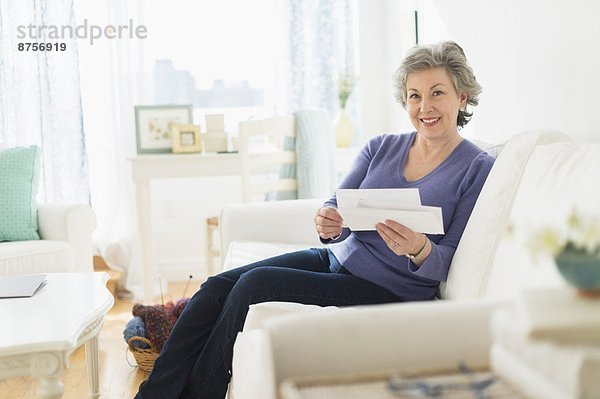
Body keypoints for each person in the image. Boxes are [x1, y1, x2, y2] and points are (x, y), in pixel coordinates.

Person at [135, 40, 495, 399]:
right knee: (215, 286)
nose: (424, 107)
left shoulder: (476, 167)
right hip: (336, 259)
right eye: (414, 96)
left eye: (437, 93)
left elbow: (448, 260)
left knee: (252, 285)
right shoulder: (381, 146)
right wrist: (330, 220)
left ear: (462, 97)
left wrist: (419, 249)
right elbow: (337, 204)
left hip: (389, 290)